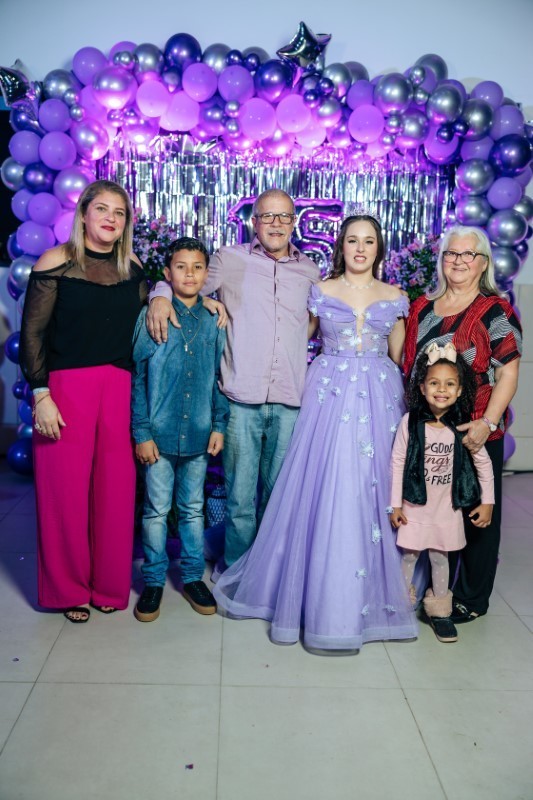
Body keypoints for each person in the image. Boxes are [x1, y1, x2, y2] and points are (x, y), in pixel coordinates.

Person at [213, 214, 418, 653]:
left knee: (373, 484)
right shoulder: (319, 290)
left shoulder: (396, 297)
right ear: (341, 246)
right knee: (326, 484)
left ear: (378, 248)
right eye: (352, 240)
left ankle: (371, 590)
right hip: (328, 393)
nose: (360, 249)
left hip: (379, 395)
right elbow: (292, 338)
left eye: (368, 241)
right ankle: (318, 587)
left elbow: (401, 358)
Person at [147, 189, 320, 568]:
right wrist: (159, 294)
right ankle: (236, 572)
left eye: (284, 216)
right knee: (240, 498)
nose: (276, 224)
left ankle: (270, 574)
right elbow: (186, 284)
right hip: (241, 399)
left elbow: (313, 324)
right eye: (268, 216)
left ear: (294, 222)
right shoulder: (229, 259)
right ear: (254, 222)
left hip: (291, 400)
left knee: (279, 497)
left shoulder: (310, 271)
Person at [19, 180, 147, 622]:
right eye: (102, 209)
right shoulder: (55, 261)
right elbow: (32, 334)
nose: (111, 218)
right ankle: (67, 589)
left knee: (116, 490)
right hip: (66, 387)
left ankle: (108, 584)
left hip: (119, 387)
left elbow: (151, 317)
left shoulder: (132, 266)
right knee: (65, 492)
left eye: (119, 212)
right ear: (84, 215)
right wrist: (41, 395)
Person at [403, 225, 522, 623]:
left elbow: (508, 372)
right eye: (451, 253)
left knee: (477, 516)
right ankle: (435, 589)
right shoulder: (422, 307)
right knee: (435, 512)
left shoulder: (495, 311)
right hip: (429, 431)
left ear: (483, 263)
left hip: (475, 431)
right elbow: (409, 368)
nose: (458, 261)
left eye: (468, 255)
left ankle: (470, 598)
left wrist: (487, 423)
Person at [131, 237, 229, 621]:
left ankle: (191, 577)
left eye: (198, 267)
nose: (190, 274)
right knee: (156, 510)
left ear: (207, 273)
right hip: (158, 434)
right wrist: (142, 433)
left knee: (192, 509)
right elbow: (138, 378)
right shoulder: (153, 315)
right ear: (167, 273)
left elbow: (220, 378)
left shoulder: (214, 320)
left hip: (200, 435)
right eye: (181, 267)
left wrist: (218, 425)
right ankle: (154, 580)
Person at [390, 342, 494, 643]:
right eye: (434, 383)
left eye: (449, 384)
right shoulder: (410, 422)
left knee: (440, 558)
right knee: (409, 556)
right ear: (422, 388)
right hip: (414, 506)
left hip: (446, 509)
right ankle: (399, 607)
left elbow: (483, 463)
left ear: (459, 390)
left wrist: (488, 501)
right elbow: (397, 462)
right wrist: (395, 505)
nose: (441, 390)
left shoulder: (463, 426)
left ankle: (440, 612)